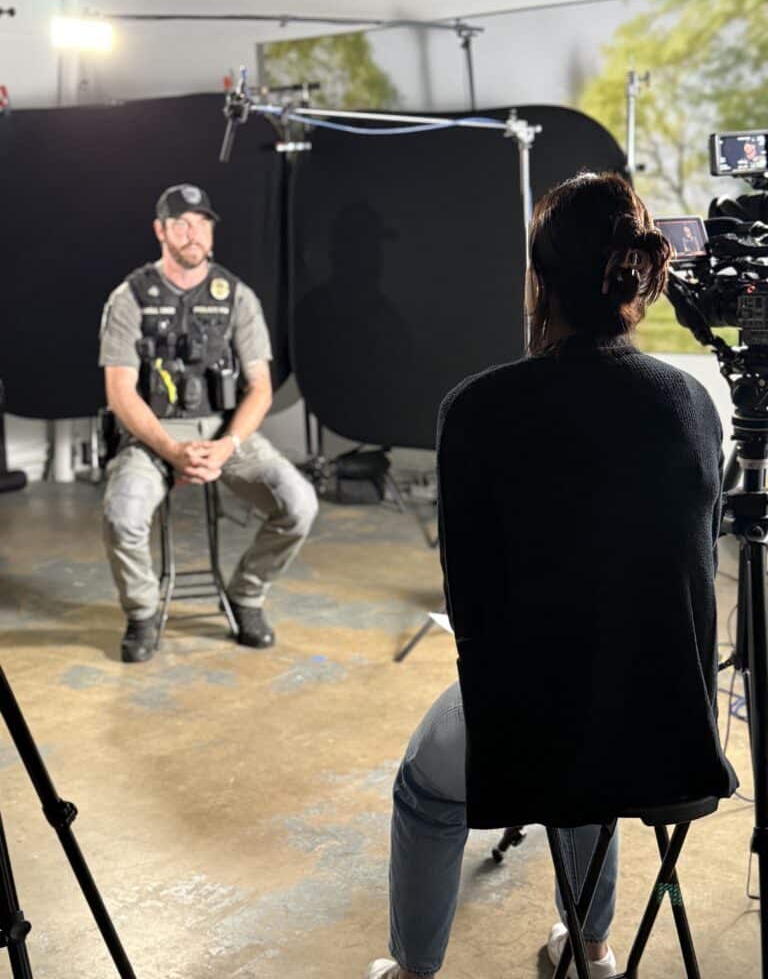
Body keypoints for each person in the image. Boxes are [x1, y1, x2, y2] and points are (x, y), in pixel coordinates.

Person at [365, 172, 737, 978]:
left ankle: (414, 970)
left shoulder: (477, 408)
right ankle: (593, 948)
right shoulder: (694, 403)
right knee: (594, 734)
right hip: (671, 730)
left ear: (540, 279)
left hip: (540, 733)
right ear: (636, 278)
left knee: (427, 788)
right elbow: (696, 566)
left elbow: (472, 604)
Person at [100, 183, 318, 664]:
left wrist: (228, 445)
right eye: (181, 223)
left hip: (224, 431)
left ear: (212, 232)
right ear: (160, 231)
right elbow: (120, 392)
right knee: (122, 516)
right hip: (152, 433)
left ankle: (247, 595)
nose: (193, 233)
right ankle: (142, 612)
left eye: (202, 223)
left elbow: (260, 387)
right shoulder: (130, 297)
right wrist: (170, 451)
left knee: (299, 504)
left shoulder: (236, 297)